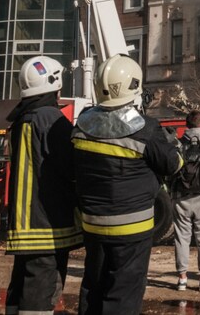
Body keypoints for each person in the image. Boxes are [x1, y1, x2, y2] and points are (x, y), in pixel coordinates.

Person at [72, 55, 182, 315]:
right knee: (123, 293)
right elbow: (174, 164)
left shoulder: (81, 127)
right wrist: (172, 143)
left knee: (93, 287)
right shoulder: (146, 129)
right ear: (134, 88)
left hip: (93, 223)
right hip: (133, 229)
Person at [4, 56, 83, 315]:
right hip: (46, 225)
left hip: (24, 224)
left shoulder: (21, 120)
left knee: (21, 287)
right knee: (41, 291)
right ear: (54, 83)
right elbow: (71, 168)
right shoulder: (52, 120)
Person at [171, 110, 200, 293]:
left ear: (186, 125)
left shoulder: (178, 144)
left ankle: (182, 278)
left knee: (181, 237)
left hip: (180, 196)